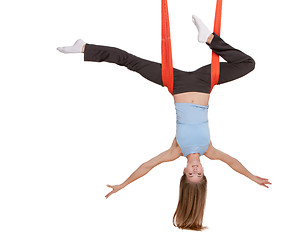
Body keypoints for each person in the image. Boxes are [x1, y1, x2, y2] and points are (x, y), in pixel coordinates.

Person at [57, 15, 272, 231]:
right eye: (199, 174)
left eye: (191, 173)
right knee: (248, 64)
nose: (195, 169)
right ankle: (209, 38)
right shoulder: (210, 150)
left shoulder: (176, 150)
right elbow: (234, 163)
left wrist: (123, 185)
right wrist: (253, 178)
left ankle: (85, 48)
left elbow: (146, 166)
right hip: (205, 81)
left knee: (131, 61)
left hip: (175, 82)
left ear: (184, 171)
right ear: (204, 171)